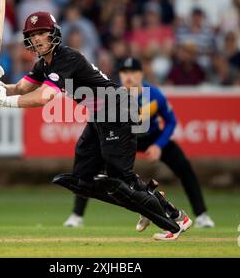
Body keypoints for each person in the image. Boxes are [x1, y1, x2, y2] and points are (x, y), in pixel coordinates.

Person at [0, 11, 192, 241]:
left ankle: (172, 221)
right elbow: (20, 88)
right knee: (83, 178)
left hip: (116, 110)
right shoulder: (44, 65)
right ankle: (158, 209)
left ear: (54, 34)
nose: (37, 38)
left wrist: (2, 100)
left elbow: (44, 97)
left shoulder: (66, 58)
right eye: (33, 34)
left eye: (42, 33)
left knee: (119, 176)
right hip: (100, 115)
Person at [64, 57, 215, 230]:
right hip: (124, 139)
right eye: (124, 72)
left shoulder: (154, 95)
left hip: (151, 137)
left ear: (141, 74)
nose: (128, 76)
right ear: (119, 75)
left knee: (184, 167)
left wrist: (159, 145)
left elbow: (171, 121)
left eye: (133, 72)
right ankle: (77, 215)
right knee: (93, 169)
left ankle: (202, 215)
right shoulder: (113, 95)